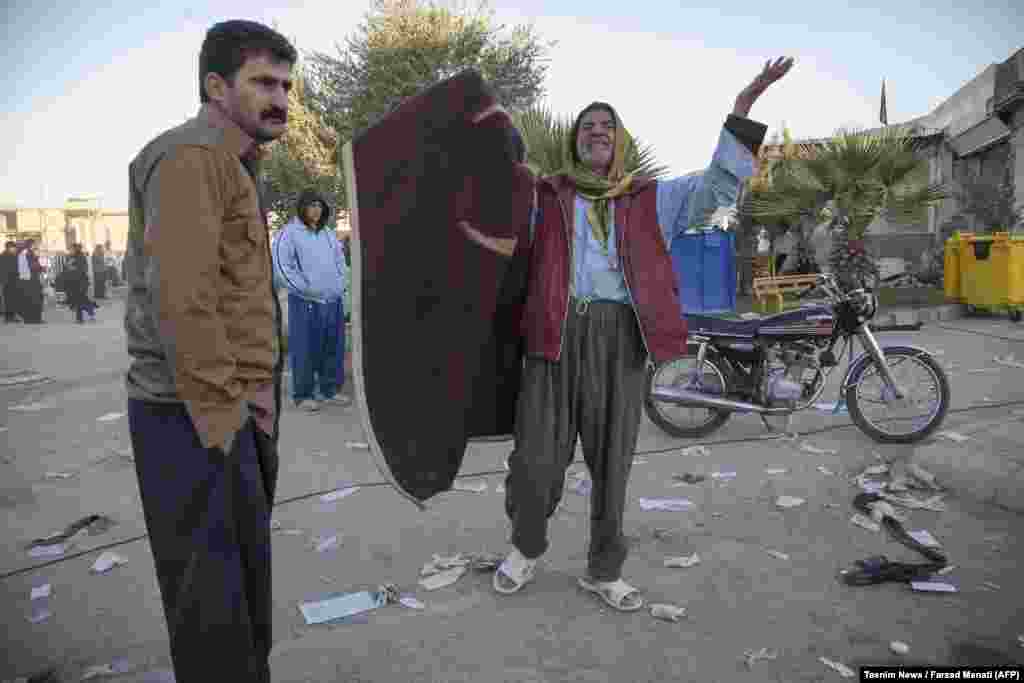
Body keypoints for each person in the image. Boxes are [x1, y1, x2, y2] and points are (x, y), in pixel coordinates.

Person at [493, 57, 795, 611]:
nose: (597, 132)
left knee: (613, 461)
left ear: (620, 139)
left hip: (620, 338)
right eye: (587, 126)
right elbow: (493, 219)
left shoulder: (651, 198)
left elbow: (717, 188)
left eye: (606, 125)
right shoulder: (547, 195)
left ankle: (603, 569)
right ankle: (525, 547)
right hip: (553, 333)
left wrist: (744, 108)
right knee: (535, 460)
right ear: (575, 141)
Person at [123, 20, 294, 682]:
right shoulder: (190, 159)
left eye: (285, 86)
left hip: (226, 412)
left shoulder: (235, 163)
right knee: (213, 611)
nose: (279, 98)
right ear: (216, 86)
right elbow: (184, 305)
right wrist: (230, 425)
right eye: (263, 83)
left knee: (242, 596)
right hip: (193, 416)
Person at [273, 189, 351, 411]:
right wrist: (305, 288)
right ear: (302, 208)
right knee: (305, 347)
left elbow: (340, 261)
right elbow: (282, 266)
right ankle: (303, 394)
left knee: (333, 347)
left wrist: (340, 284)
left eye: (319, 205)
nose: (316, 210)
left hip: (332, 299)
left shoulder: (327, 233)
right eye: (311, 205)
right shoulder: (289, 234)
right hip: (305, 301)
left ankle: (330, 390)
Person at [16, 239, 45, 324]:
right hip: (31, 279)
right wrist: (41, 268)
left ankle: (29, 318)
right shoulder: (28, 253)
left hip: (25, 279)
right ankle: (35, 319)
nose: (36, 246)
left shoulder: (23, 253)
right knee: (35, 299)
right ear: (31, 245)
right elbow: (33, 266)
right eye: (35, 244)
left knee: (28, 299)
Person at [1, 241, 19, 322]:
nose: (15, 249)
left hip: (11, 280)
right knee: (8, 300)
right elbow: (7, 269)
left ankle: (11, 316)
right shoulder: (4, 256)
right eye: (14, 248)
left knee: (12, 299)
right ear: (9, 248)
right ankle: (8, 317)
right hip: (8, 281)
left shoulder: (11, 255)